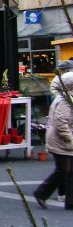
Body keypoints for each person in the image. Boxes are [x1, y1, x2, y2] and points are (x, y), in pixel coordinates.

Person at [33, 71, 73, 210]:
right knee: (63, 170)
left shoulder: (67, 98)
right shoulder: (65, 101)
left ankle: (70, 201)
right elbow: (61, 122)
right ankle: (41, 193)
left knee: (69, 170)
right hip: (61, 140)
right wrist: (70, 138)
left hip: (62, 139)